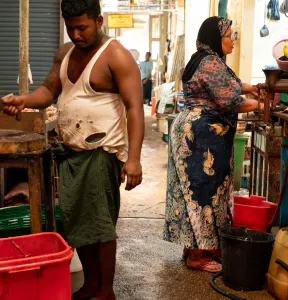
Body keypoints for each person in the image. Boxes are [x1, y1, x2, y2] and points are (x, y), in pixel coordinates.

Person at [1, 0, 144, 299]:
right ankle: (91, 284)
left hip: (101, 153)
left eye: (83, 27)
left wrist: (133, 160)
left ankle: (106, 291)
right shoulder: (65, 54)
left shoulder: (116, 56)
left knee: (101, 225)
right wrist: (23, 100)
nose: (76, 34)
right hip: (70, 153)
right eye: (71, 28)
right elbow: (47, 92)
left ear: (99, 20)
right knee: (80, 223)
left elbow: (135, 108)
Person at [163, 17, 263, 273]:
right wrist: (263, 106)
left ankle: (191, 249)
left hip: (196, 132)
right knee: (201, 192)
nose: (233, 39)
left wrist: (252, 88)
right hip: (201, 137)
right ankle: (197, 256)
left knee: (193, 192)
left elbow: (229, 85)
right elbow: (231, 100)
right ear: (216, 38)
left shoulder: (206, 59)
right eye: (230, 35)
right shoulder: (210, 62)